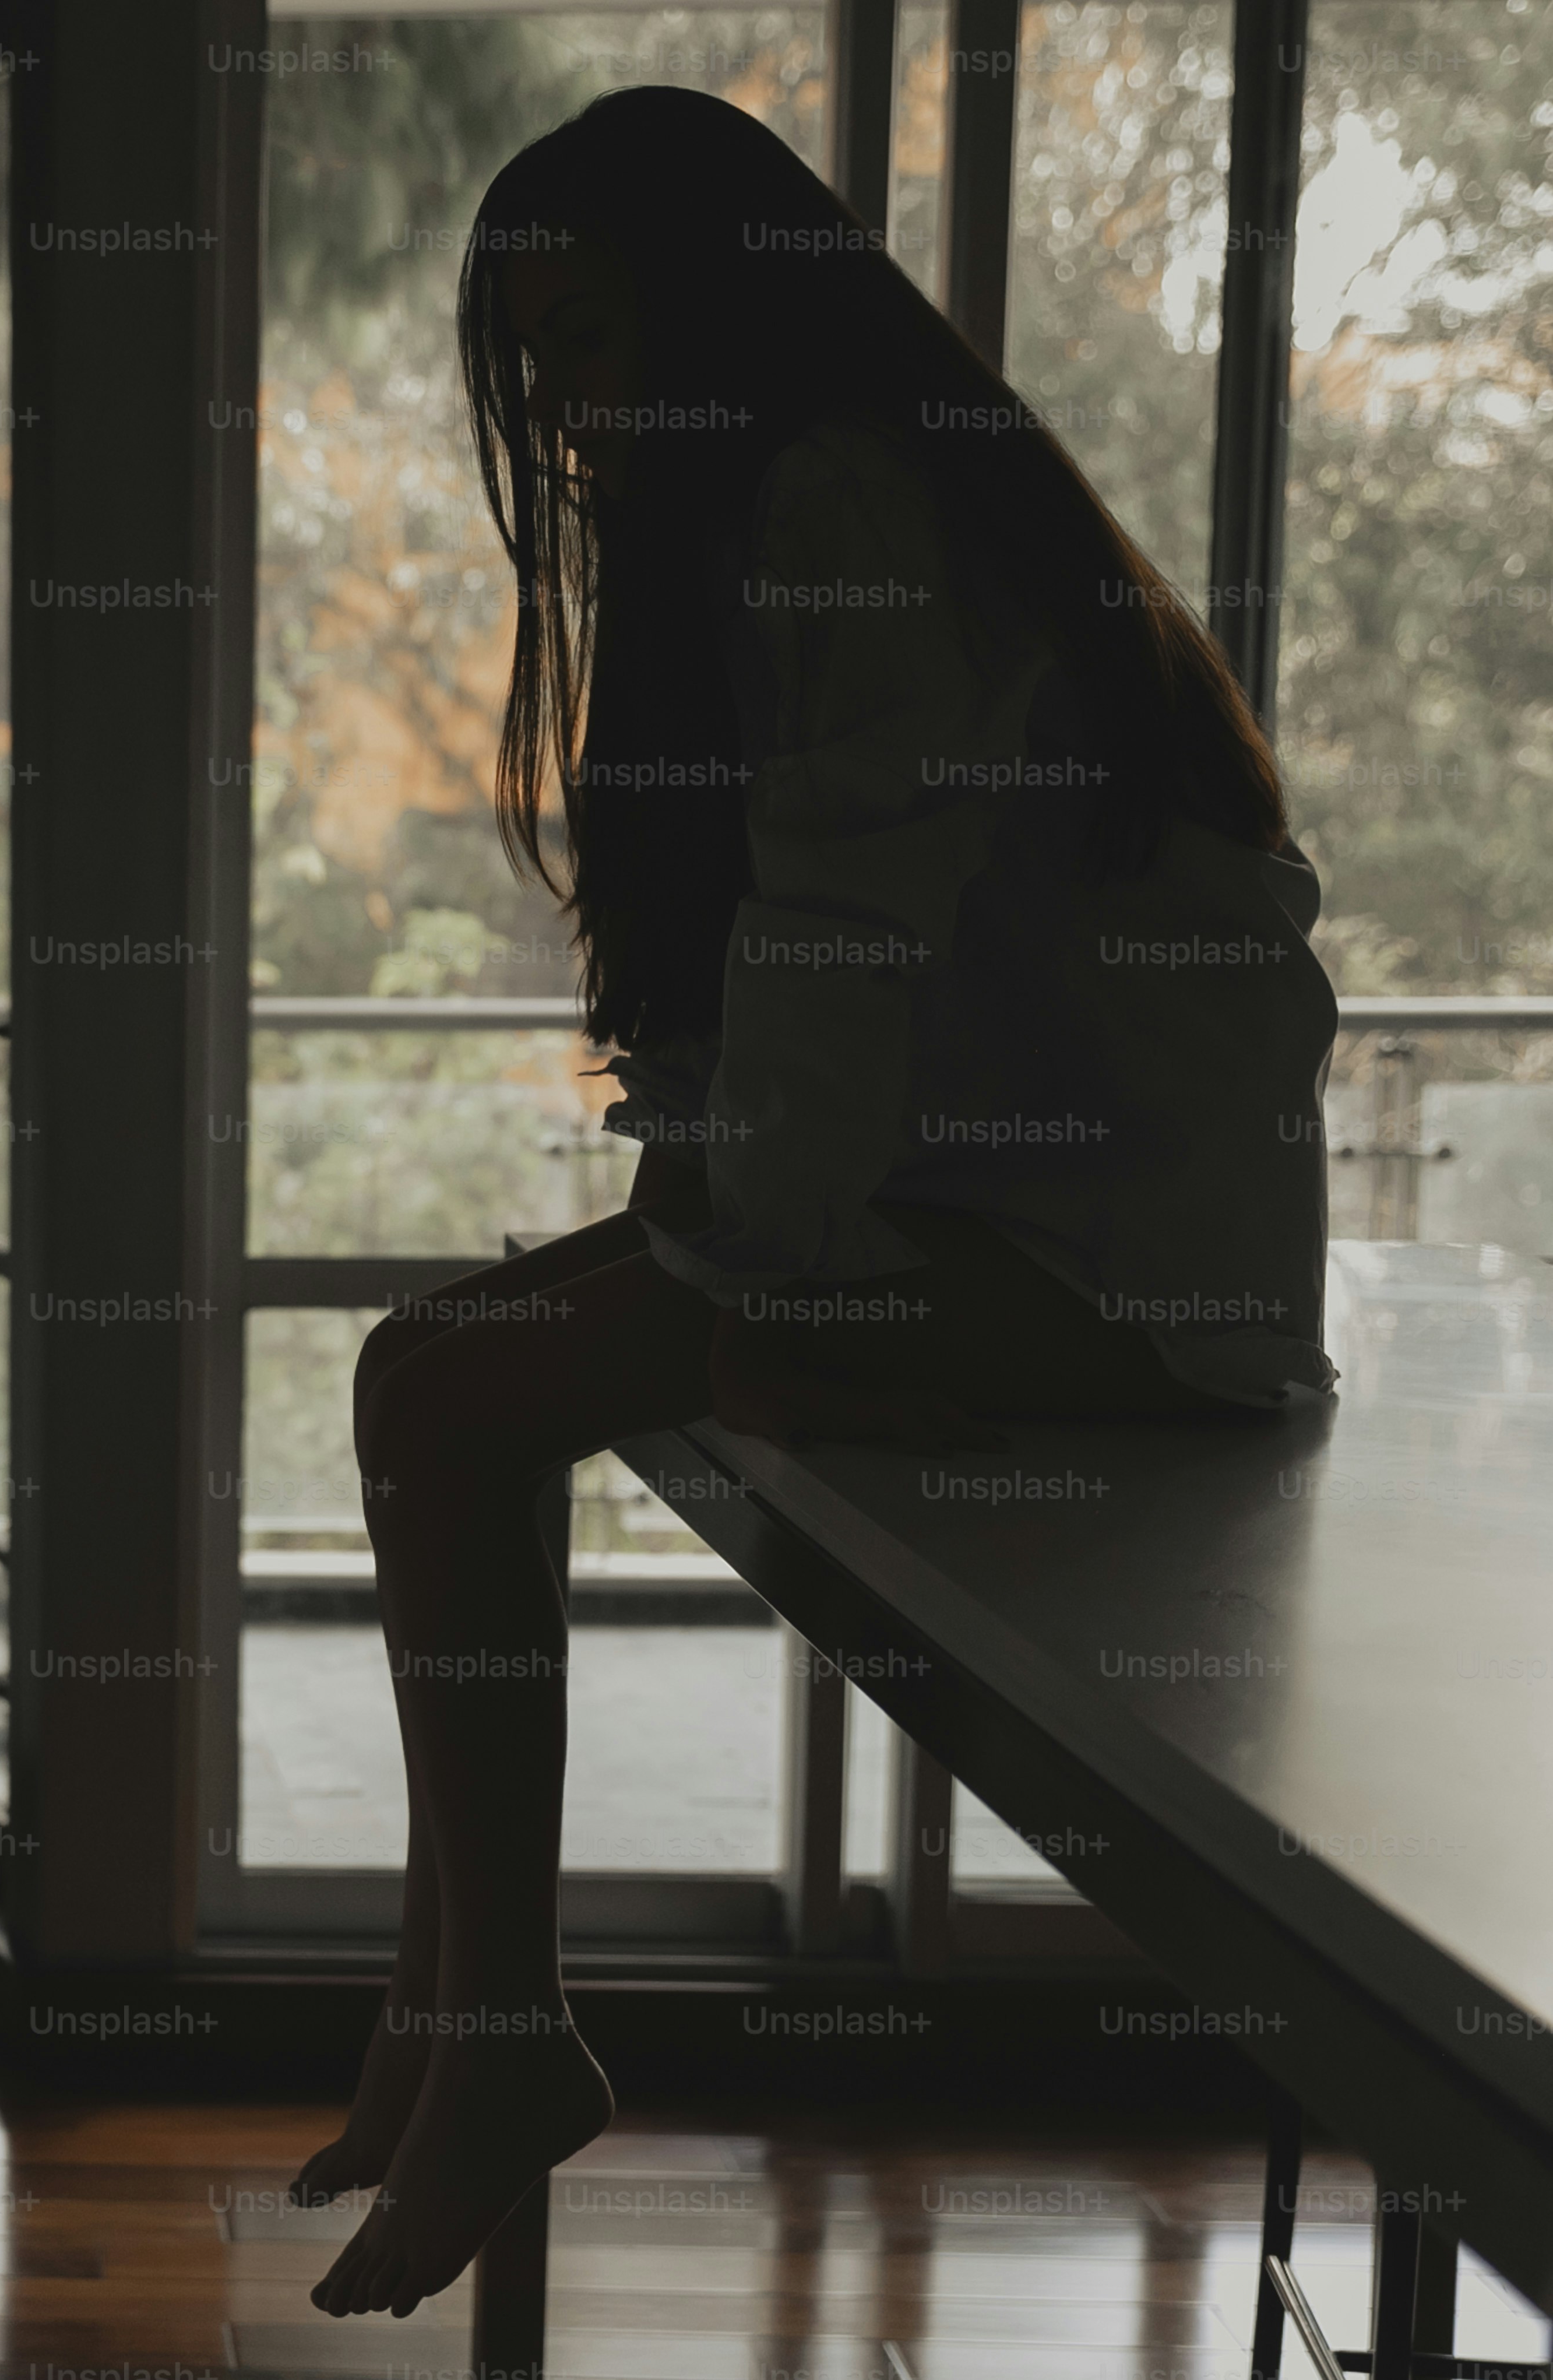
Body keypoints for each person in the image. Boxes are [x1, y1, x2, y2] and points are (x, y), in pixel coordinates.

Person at [286, 84, 1340, 2322]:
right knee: (452, 1384)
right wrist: (690, 1228)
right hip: (1048, 1239)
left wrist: (705, 1253)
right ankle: (455, 2014)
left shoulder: (835, 500)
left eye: (587, 339)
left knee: (446, 1395)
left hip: (1106, 1289)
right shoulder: (850, 486)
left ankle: (481, 2032)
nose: (560, 409)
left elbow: (839, 945)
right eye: (535, 355)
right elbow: (801, 972)